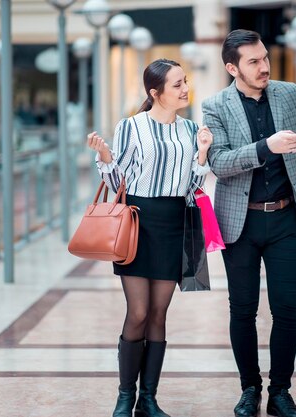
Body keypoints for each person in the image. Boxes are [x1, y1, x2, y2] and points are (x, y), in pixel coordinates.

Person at [202, 30, 296, 417]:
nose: (264, 67)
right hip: (238, 222)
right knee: (242, 310)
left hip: (286, 219)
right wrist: (265, 147)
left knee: (287, 309)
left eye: (265, 58)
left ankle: (280, 392)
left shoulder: (289, 94)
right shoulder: (215, 106)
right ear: (232, 67)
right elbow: (220, 164)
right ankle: (249, 389)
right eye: (253, 61)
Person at [87, 58, 213, 417]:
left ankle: (149, 400)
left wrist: (202, 153)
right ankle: (125, 396)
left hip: (175, 221)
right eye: (176, 84)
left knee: (159, 313)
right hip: (138, 223)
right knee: (138, 312)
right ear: (155, 93)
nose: (185, 88)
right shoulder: (131, 127)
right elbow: (118, 185)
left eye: (184, 81)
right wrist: (105, 155)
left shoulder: (191, 130)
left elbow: (192, 188)